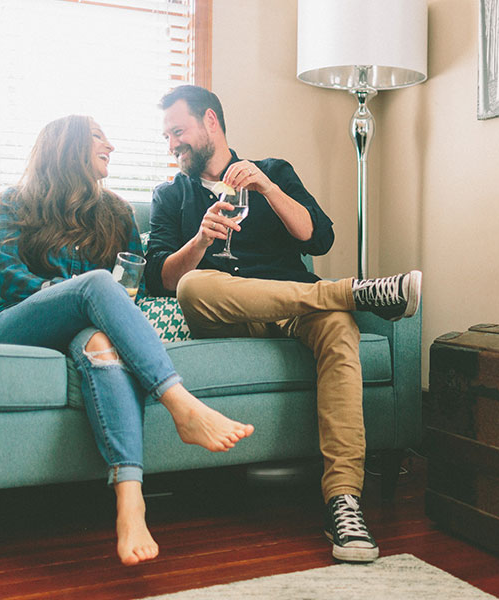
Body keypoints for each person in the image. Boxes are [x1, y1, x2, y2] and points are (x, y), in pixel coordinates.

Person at [146, 85, 422, 563]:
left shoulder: (273, 171)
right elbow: (160, 281)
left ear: (211, 121)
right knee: (195, 286)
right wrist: (198, 241)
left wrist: (268, 190)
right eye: (167, 136)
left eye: (178, 131)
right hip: (226, 314)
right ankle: (351, 293)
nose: (172, 144)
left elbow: (319, 238)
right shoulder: (172, 194)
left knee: (338, 326)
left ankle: (344, 500)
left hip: (292, 309)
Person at [0, 115, 254, 567]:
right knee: (94, 287)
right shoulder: (16, 202)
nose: (111, 145)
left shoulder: (117, 212)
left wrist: (108, 301)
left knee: (100, 347)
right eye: (97, 137)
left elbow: (135, 290)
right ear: (67, 146)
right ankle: (182, 405)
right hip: (19, 325)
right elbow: (14, 282)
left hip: (87, 329)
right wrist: (83, 294)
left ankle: (131, 503)